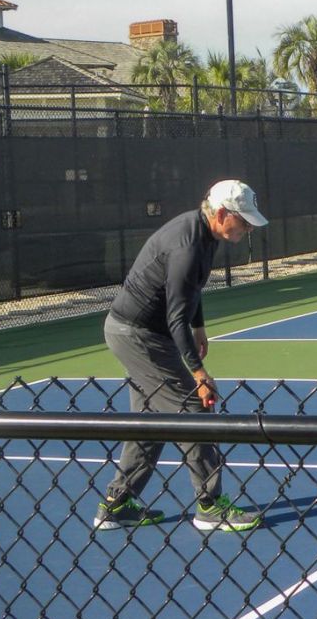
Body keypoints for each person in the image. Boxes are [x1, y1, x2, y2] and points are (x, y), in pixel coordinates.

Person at [95, 179, 267, 532]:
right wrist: (199, 374)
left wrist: (199, 326)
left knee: (150, 419)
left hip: (142, 333)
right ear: (222, 214)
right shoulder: (187, 245)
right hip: (138, 335)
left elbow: (191, 290)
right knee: (194, 411)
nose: (248, 228)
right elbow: (176, 319)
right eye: (244, 220)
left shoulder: (206, 233)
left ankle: (117, 504)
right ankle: (209, 506)